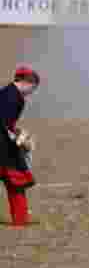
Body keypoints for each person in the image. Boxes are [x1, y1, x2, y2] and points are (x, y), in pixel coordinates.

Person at [1, 66, 40, 226]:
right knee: (17, 182)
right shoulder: (13, 97)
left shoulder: (6, 93)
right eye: (33, 87)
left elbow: (7, 122)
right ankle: (21, 220)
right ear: (27, 82)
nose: (32, 92)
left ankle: (21, 220)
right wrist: (20, 139)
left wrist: (18, 131)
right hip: (4, 149)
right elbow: (3, 122)